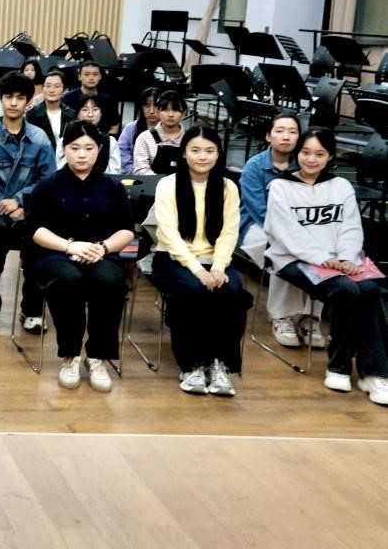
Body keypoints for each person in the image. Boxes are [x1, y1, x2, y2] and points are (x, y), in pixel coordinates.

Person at [265, 128, 388, 405]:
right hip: (294, 258)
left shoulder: (341, 186)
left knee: (370, 289)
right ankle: (339, 365)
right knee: (345, 290)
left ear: (330, 156)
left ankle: (375, 372)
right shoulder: (280, 186)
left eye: (319, 154)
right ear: (297, 153)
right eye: (306, 152)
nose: (311, 159)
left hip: (340, 260)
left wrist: (346, 258)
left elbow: (352, 227)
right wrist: (322, 258)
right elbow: (286, 233)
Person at [28, 121, 136, 392]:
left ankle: (97, 356)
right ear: (64, 149)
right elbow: (35, 230)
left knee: (110, 280)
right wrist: (70, 246)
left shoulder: (113, 187)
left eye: (89, 148)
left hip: (101, 253)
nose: (81, 154)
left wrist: (104, 247)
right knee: (68, 280)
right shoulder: (47, 186)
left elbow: (126, 230)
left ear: (99, 149)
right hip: (57, 254)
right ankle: (70, 355)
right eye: (74, 148)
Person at [151, 127, 250, 396]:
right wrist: (198, 270)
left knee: (233, 292)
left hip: (215, 260)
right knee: (192, 291)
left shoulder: (228, 187)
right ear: (184, 153)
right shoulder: (168, 185)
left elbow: (229, 233)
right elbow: (168, 234)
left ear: (218, 154)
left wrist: (217, 267)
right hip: (174, 258)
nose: (202, 156)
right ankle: (192, 365)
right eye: (195, 150)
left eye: (209, 151)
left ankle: (219, 363)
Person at [0, 71, 56, 330]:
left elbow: (47, 181)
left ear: (28, 102)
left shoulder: (40, 138)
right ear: (0, 99)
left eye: (19, 97)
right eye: (8, 97)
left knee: (41, 238)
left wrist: (20, 202)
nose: (13, 103)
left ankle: (32, 310)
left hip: (28, 209)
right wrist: (4, 205)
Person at [237, 112, 314, 347]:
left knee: (320, 248)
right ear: (268, 136)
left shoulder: (303, 164)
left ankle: (309, 317)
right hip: (255, 227)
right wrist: (290, 234)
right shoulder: (254, 166)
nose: (286, 136)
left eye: (292, 132)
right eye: (279, 131)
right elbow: (259, 211)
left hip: (296, 228)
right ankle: (281, 316)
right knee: (281, 250)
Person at [63, 93, 121, 174]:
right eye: (85, 110)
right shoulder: (66, 139)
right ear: (77, 114)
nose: (90, 114)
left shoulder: (110, 141)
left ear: (101, 113)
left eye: (95, 109)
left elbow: (115, 173)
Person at [132, 90, 185, 176]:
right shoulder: (145, 138)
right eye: (165, 110)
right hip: (153, 183)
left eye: (175, 110)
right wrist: (163, 182)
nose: (170, 114)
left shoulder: (190, 138)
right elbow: (140, 169)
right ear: (159, 111)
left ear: (183, 112)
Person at [61, 60, 120, 135]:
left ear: (100, 76)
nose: (91, 78)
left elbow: (114, 127)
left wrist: (105, 140)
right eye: (87, 74)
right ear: (79, 76)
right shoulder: (67, 98)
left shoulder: (108, 100)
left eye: (95, 74)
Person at [26, 70, 75, 149]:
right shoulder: (32, 114)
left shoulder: (71, 114)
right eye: (48, 86)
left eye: (56, 86)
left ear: (64, 89)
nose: (51, 90)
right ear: (43, 88)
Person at [118, 87, 160, 174]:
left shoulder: (168, 130)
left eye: (156, 106)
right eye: (147, 106)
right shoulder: (130, 128)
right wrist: (140, 174)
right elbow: (123, 157)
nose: (151, 111)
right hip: (134, 176)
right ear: (141, 107)